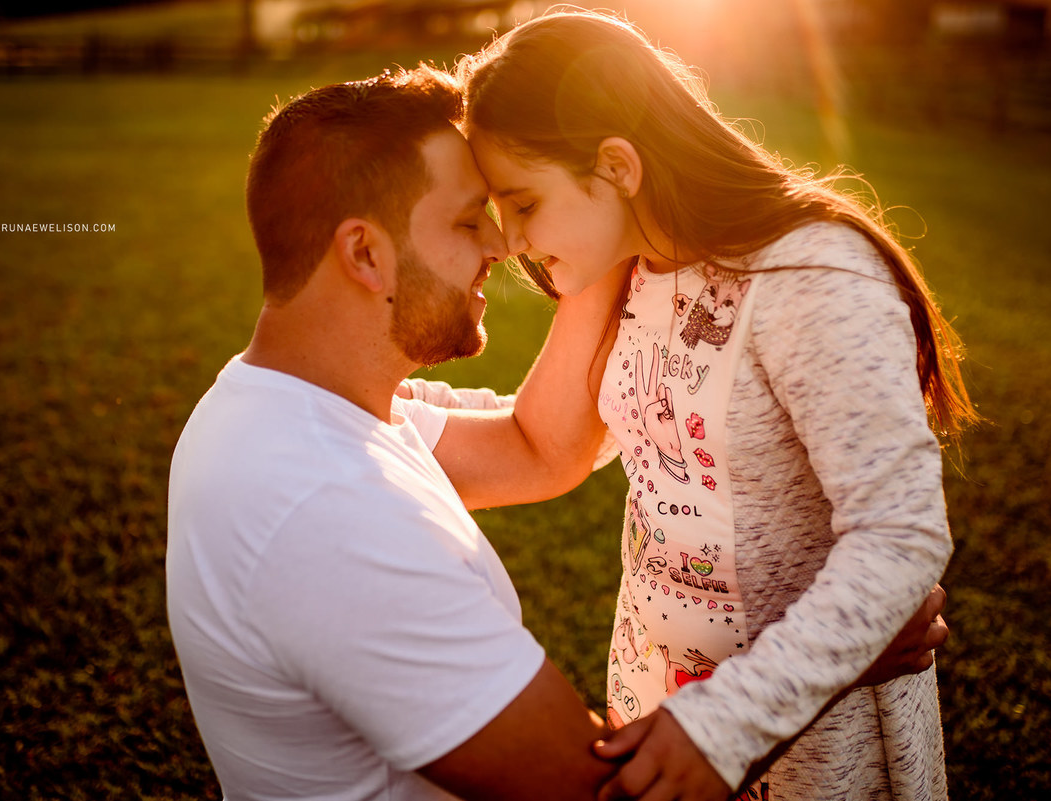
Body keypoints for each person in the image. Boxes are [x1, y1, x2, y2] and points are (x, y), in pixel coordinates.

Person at [453, 10, 979, 801]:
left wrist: (727, 723)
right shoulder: (634, 271)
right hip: (664, 722)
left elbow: (901, 534)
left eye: (523, 203)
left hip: (810, 755)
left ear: (617, 165)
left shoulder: (810, 275)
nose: (514, 240)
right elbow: (565, 430)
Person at [165, 66, 627, 800]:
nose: (500, 245)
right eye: (468, 221)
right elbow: (586, 786)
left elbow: (536, 447)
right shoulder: (328, 509)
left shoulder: (296, 403)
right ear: (365, 255)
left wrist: (604, 239)